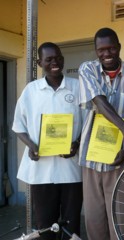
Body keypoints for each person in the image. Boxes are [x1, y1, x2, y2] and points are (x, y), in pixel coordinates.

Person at [78, 27, 124, 240]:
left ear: (119, 47)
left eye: (111, 48)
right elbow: (99, 102)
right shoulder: (87, 69)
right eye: (101, 50)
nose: (106, 54)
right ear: (95, 50)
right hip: (92, 158)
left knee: (121, 221)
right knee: (94, 220)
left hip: (122, 157)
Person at [12, 42, 83, 240]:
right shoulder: (31, 91)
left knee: (72, 225)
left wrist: (76, 144)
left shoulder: (77, 87)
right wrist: (31, 145)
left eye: (58, 58)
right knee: (45, 226)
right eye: (49, 59)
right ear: (39, 62)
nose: (55, 62)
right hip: (41, 171)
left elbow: (88, 124)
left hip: (71, 169)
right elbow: (18, 125)